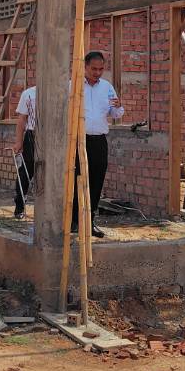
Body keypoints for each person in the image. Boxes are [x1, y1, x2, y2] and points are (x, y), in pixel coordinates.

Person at [75, 50, 124, 239]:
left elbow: (116, 114)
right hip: (78, 139)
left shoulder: (106, 87)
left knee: (96, 181)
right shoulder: (74, 85)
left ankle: (90, 221)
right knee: (77, 180)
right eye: (94, 69)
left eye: (101, 69)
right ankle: (73, 221)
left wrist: (118, 106)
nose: (97, 72)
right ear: (85, 67)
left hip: (99, 141)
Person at [12, 81, 37, 219]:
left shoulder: (62, 92)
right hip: (32, 134)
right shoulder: (29, 93)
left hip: (54, 136)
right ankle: (20, 205)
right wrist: (19, 141)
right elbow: (22, 119)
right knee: (27, 170)